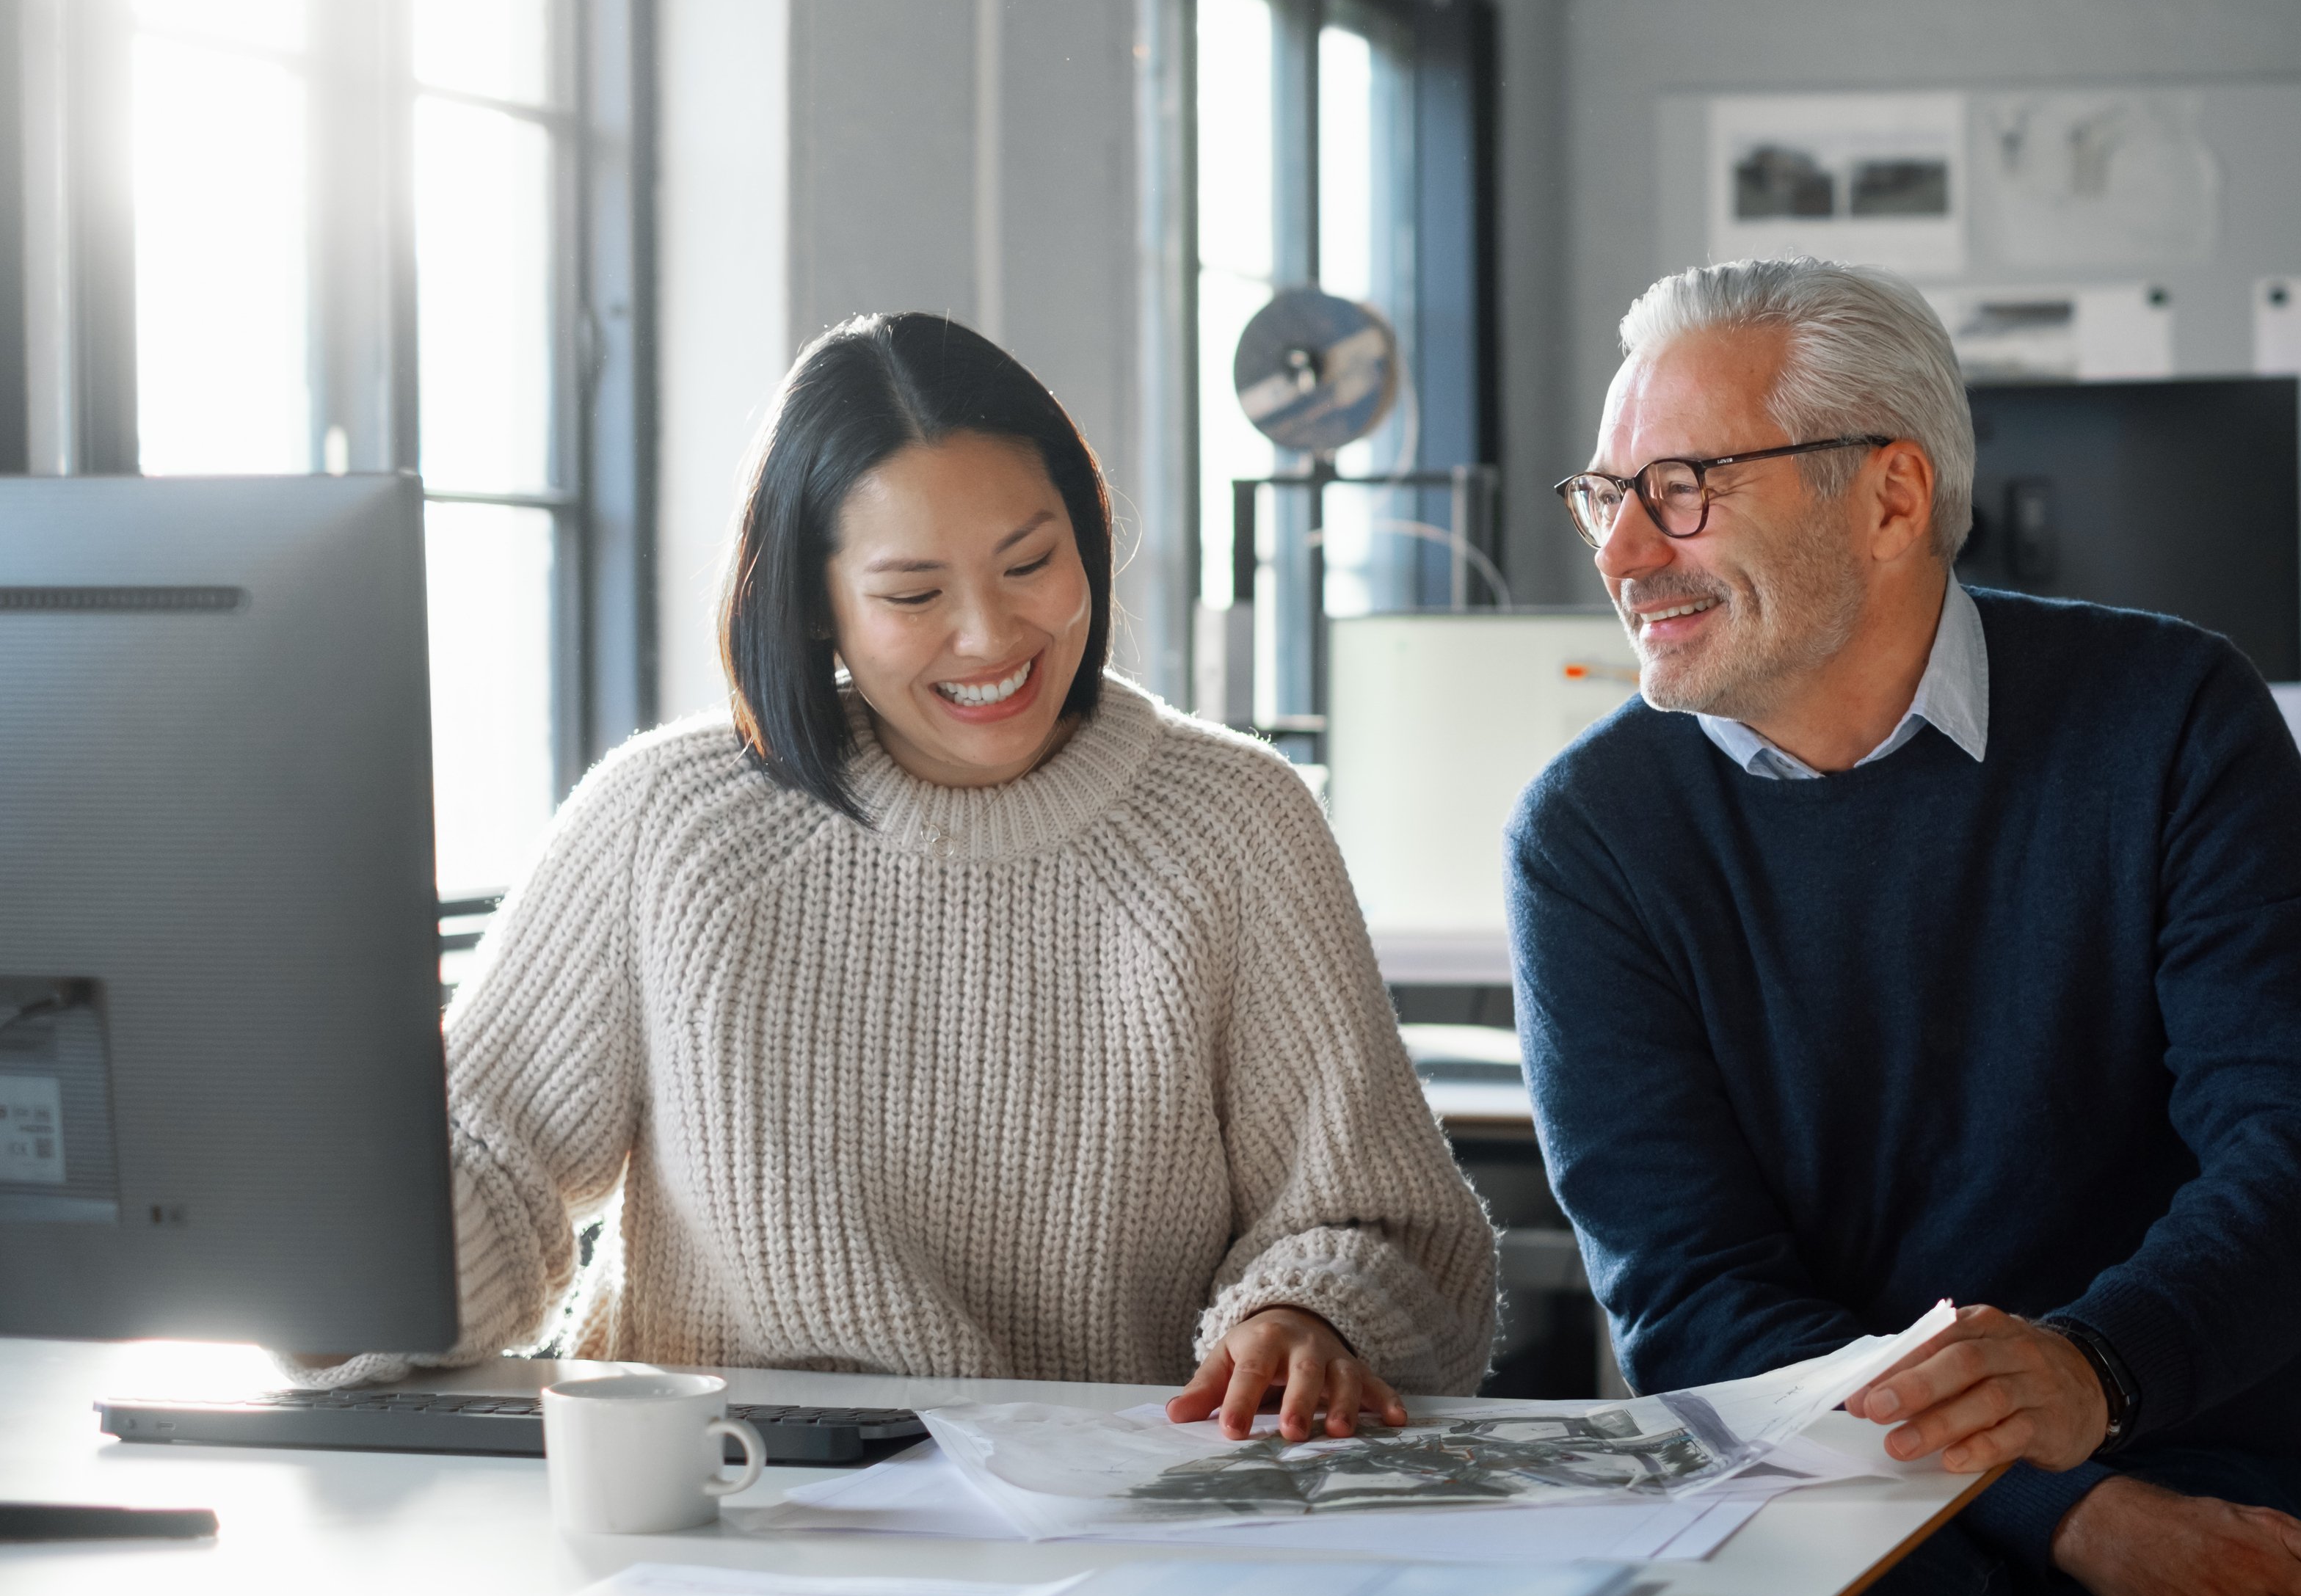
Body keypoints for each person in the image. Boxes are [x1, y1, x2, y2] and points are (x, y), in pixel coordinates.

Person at [1506, 258, 2301, 1596]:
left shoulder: (2170, 717)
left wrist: (2095, 1378)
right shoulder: (1593, 834)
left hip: (2177, 1442)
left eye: (1682, 488)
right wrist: (2064, 1507)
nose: (1625, 550)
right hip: (1810, 1492)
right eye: (1604, 493)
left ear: (1890, 491)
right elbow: (1692, 1300)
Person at [305, 312, 1495, 1438]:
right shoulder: (665, 822)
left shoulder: (1237, 826)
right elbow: (488, 1167)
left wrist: (1307, 1318)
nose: (989, 637)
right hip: (725, 1513)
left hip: (1103, 1531)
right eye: (913, 595)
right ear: (814, 605)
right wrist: (325, 1266)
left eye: (1032, 563)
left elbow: (1382, 1227)